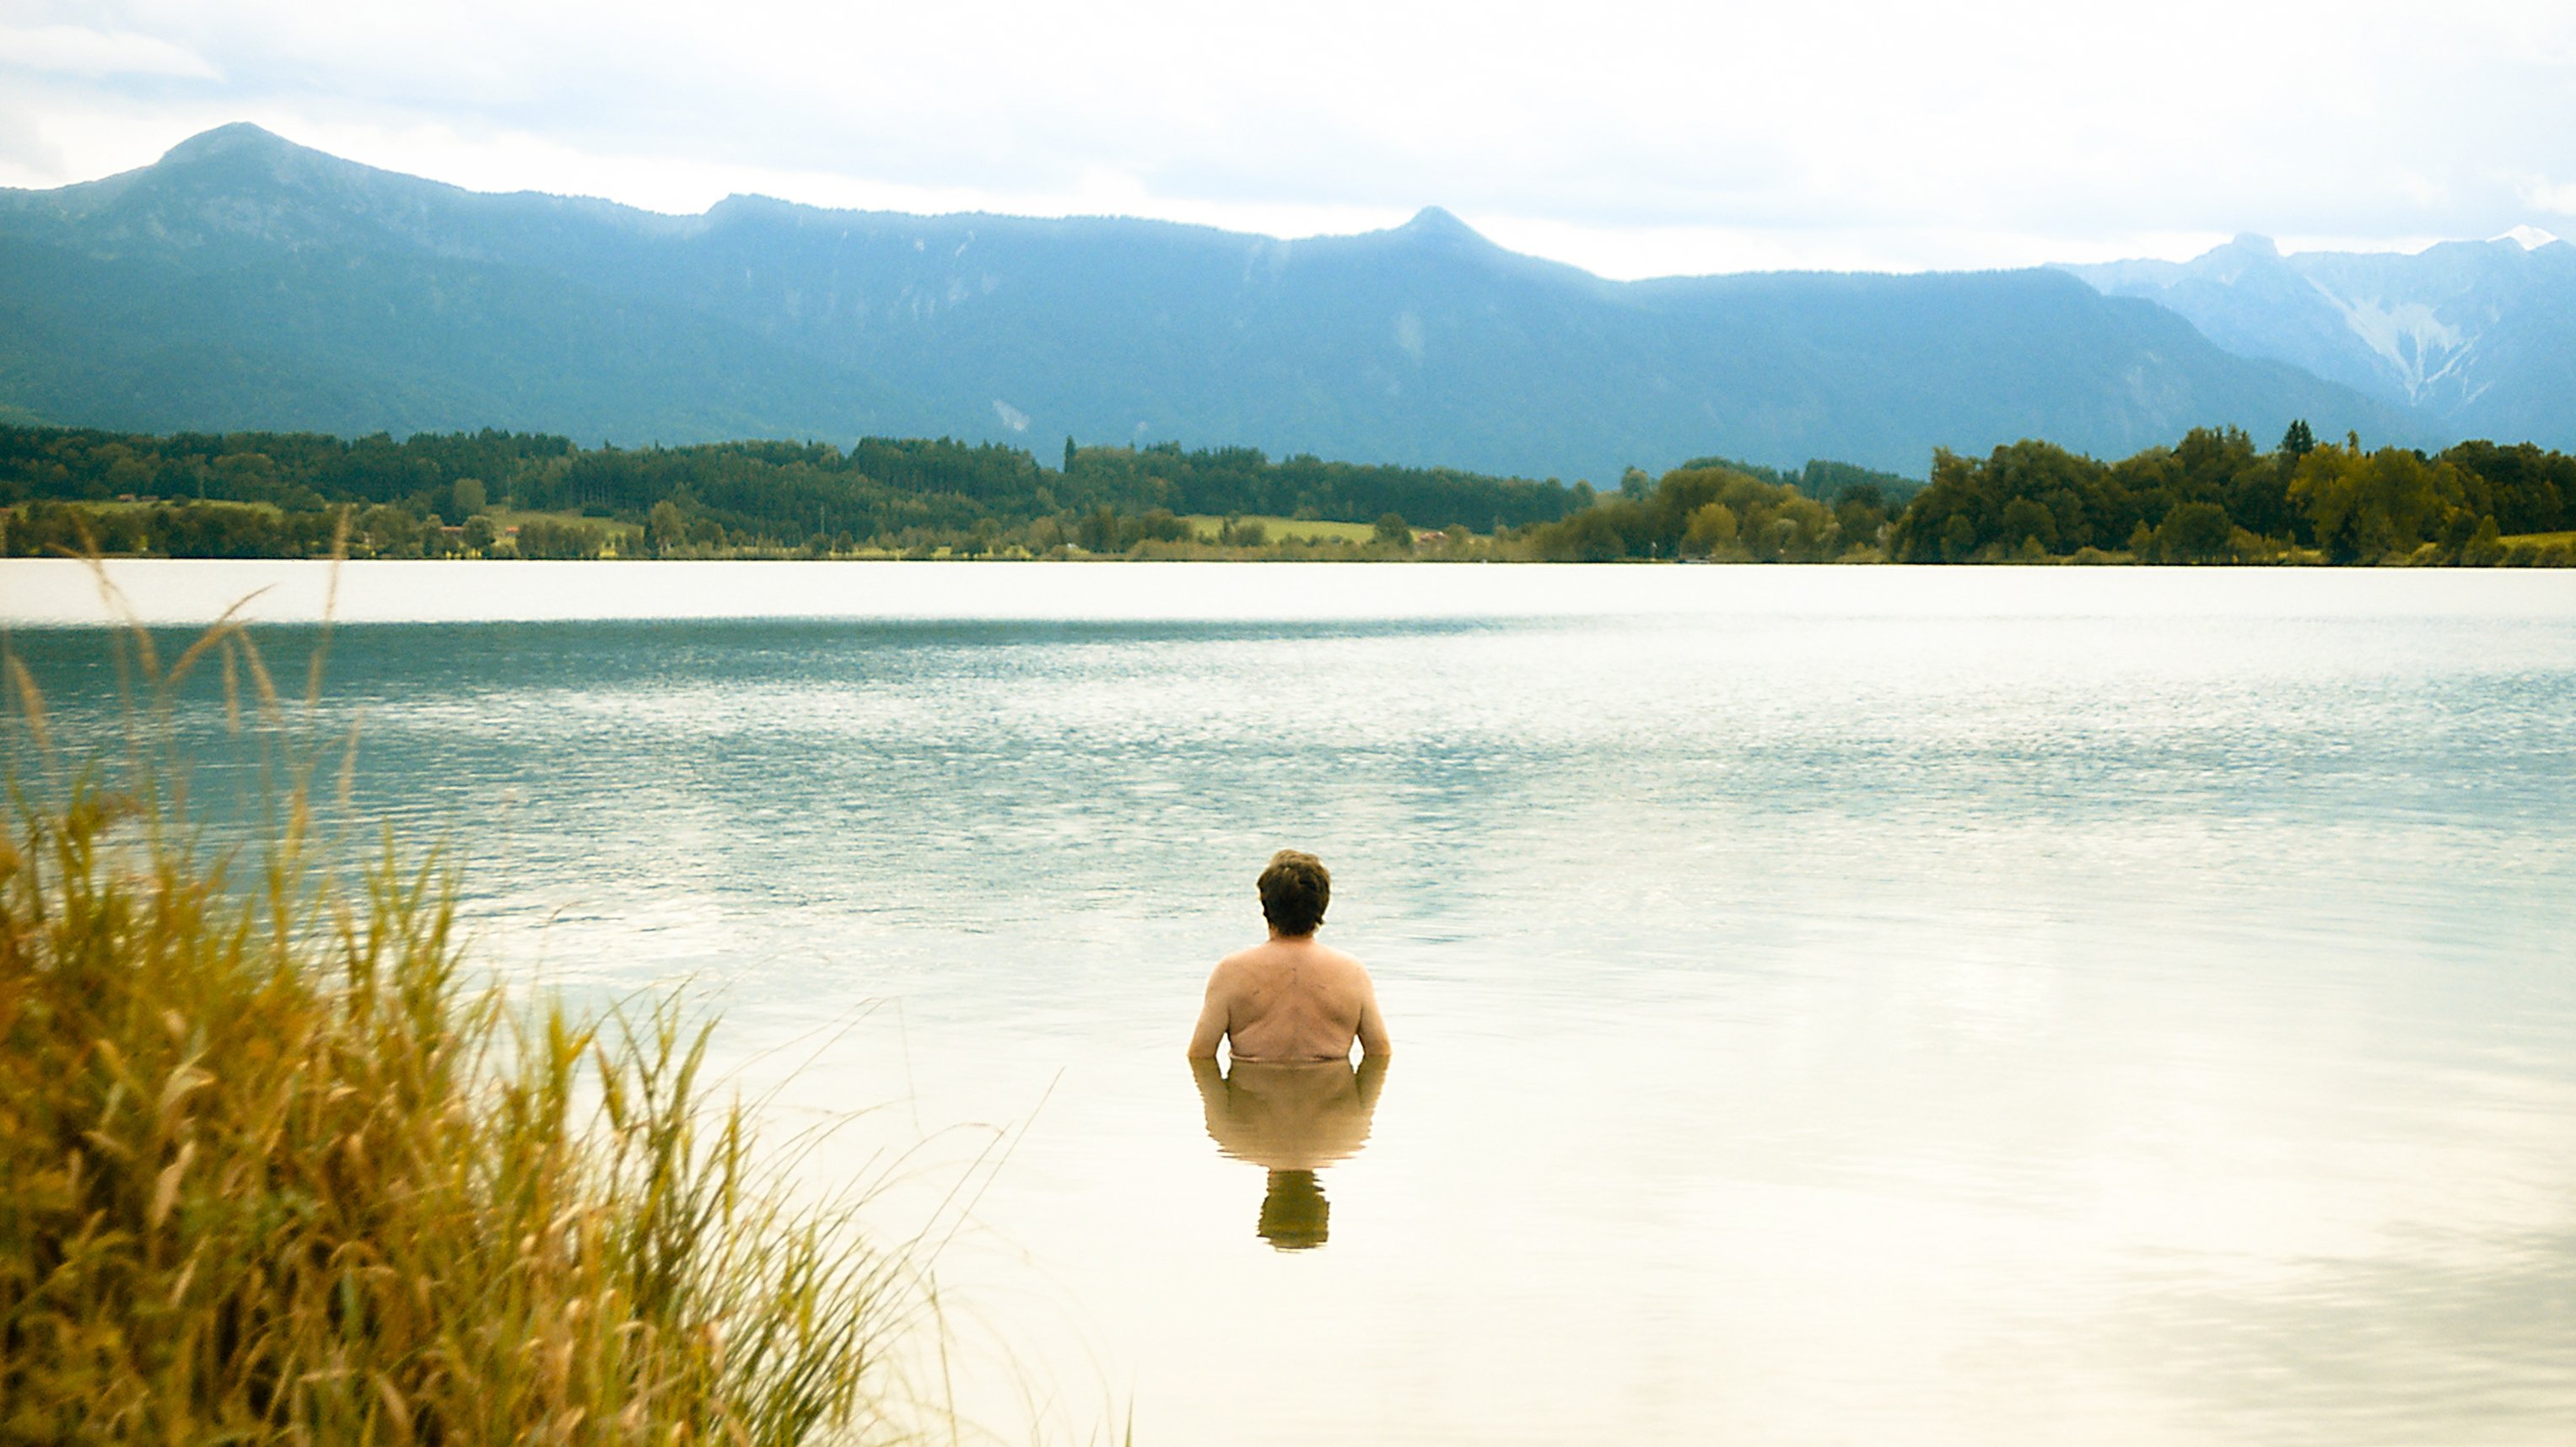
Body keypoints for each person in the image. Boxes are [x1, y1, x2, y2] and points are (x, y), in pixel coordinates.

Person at [1188, 849, 1392, 1063]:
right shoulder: (1351, 972)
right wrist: (1358, 1099)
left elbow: (1200, 1056)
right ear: (1322, 906)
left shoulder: (1232, 971)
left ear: (1265, 906)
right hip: (1331, 1095)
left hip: (1254, 1094)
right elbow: (1379, 1054)